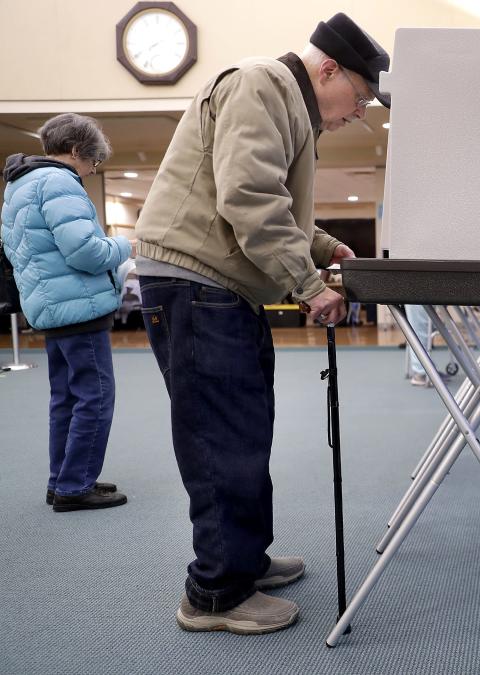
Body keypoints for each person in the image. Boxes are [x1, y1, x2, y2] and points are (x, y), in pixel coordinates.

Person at [134, 13, 389, 635]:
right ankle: (215, 594)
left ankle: (242, 559)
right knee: (222, 437)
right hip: (199, 284)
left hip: (218, 286)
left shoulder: (287, 102)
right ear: (328, 68)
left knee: (244, 428)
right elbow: (248, 197)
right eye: (358, 98)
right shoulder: (260, 85)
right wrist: (308, 287)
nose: (357, 113)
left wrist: (325, 247)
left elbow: (277, 201)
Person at [0, 113, 130, 512]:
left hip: (50, 307)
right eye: (92, 162)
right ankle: (75, 487)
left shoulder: (19, 184)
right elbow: (86, 252)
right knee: (96, 396)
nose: (91, 172)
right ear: (76, 151)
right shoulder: (59, 182)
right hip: (79, 308)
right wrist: (124, 246)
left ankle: (63, 480)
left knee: (66, 399)